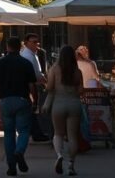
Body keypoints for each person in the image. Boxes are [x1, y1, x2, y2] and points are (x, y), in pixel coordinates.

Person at [0, 37, 38, 176]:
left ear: (7, 46)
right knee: (24, 130)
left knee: (9, 133)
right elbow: (32, 85)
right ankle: (19, 151)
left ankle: (11, 167)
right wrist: (35, 101)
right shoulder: (26, 63)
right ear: (20, 47)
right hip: (22, 100)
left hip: (5, 100)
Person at [46, 45, 84, 176]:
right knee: (72, 136)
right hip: (74, 104)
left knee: (58, 134)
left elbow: (49, 87)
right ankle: (71, 165)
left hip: (59, 104)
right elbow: (81, 91)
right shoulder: (77, 71)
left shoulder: (54, 69)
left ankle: (59, 155)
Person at [19, 33, 50, 142]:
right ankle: (35, 133)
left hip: (35, 85)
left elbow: (38, 72)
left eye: (37, 42)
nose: (36, 44)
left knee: (33, 110)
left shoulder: (33, 54)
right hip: (31, 86)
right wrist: (44, 81)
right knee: (33, 109)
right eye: (34, 42)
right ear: (26, 43)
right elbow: (34, 74)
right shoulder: (27, 56)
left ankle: (36, 132)